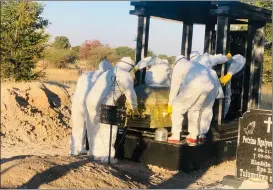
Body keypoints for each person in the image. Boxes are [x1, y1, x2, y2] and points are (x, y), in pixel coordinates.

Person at [85, 56, 157, 163]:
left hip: (90, 100)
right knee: (109, 129)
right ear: (129, 67)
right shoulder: (125, 75)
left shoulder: (108, 72)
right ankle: (107, 157)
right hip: (105, 102)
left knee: (93, 127)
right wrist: (134, 107)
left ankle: (95, 153)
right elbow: (130, 93)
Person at [167, 55, 216, 146]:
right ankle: (193, 136)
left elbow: (175, 86)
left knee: (177, 107)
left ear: (176, 61)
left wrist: (170, 103)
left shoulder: (178, 65)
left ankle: (175, 135)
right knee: (194, 109)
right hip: (208, 86)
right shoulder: (194, 64)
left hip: (194, 85)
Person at [69, 60, 112, 156]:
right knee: (92, 127)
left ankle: (75, 149)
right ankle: (93, 151)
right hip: (89, 101)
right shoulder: (104, 77)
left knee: (77, 125)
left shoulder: (86, 74)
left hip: (77, 100)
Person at [189, 51, 228, 142]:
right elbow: (221, 59)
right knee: (207, 109)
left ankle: (193, 134)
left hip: (196, 85)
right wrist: (227, 57)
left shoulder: (190, 64)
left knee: (194, 109)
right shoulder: (206, 57)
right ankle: (202, 134)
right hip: (210, 83)